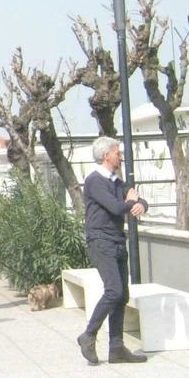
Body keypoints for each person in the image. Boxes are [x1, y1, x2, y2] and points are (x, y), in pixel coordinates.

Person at [77, 136, 149, 365]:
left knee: (122, 295)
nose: (121, 156)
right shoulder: (95, 181)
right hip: (101, 241)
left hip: (117, 240)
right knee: (114, 291)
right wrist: (130, 203)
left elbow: (135, 198)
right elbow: (117, 207)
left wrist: (141, 204)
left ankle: (116, 348)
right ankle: (88, 335)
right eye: (117, 152)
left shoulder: (116, 181)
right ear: (106, 155)